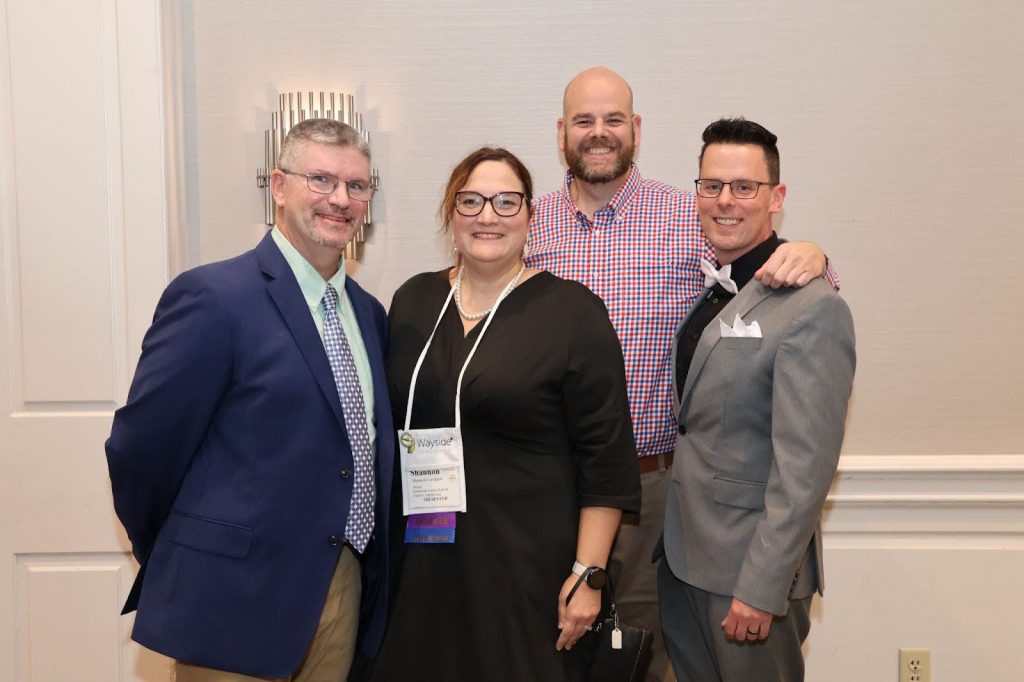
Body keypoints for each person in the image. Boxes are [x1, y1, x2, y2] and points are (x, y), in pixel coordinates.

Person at [526, 66, 837, 682]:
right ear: (561, 132)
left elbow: (791, 299)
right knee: (544, 653)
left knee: (653, 660)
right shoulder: (525, 227)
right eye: (584, 121)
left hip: (657, 495)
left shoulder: (688, 217)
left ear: (635, 129)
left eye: (613, 119)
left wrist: (816, 254)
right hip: (549, 490)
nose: (599, 133)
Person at [105, 118, 395, 681]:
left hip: (342, 582)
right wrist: (191, 548)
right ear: (279, 186)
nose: (341, 199)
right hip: (233, 594)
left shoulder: (369, 315)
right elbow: (142, 450)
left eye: (357, 186)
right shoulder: (213, 298)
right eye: (322, 179)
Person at [367, 147, 640, 681]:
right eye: (470, 201)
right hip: (424, 550)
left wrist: (589, 574)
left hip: (526, 564)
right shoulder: (414, 300)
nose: (487, 215)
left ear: (531, 217)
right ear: (451, 214)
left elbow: (606, 460)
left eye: (506, 201)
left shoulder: (572, 313)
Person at [658, 117, 856, 681]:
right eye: (711, 185)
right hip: (686, 558)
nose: (725, 201)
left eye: (744, 187)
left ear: (777, 197)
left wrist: (763, 586)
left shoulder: (812, 308)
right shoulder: (712, 288)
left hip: (748, 575)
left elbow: (805, 468)